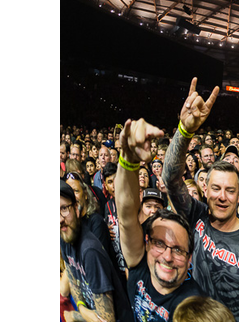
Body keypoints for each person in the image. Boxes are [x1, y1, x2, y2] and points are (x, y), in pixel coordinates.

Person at [163, 79, 239, 322]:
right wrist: (184, 130)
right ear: (205, 189)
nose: (222, 196)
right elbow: (170, 178)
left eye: (230, 190)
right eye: (216, 188)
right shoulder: (196, 215)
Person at [113, 117, 206, 322]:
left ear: (190, 258)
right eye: (159, 243)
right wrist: (128, 159)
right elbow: (126, 214)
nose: (167, 256)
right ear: (146, 245)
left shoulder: (193, 304)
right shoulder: (140, 264)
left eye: (179, 249)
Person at [60, 180, 133, 322]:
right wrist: (81, 307)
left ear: (76, 208)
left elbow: (107, 320)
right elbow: (73, 280)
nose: (59, 219)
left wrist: (73, 316)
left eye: (64, 209)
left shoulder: (90, 250)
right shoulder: (64, 237)